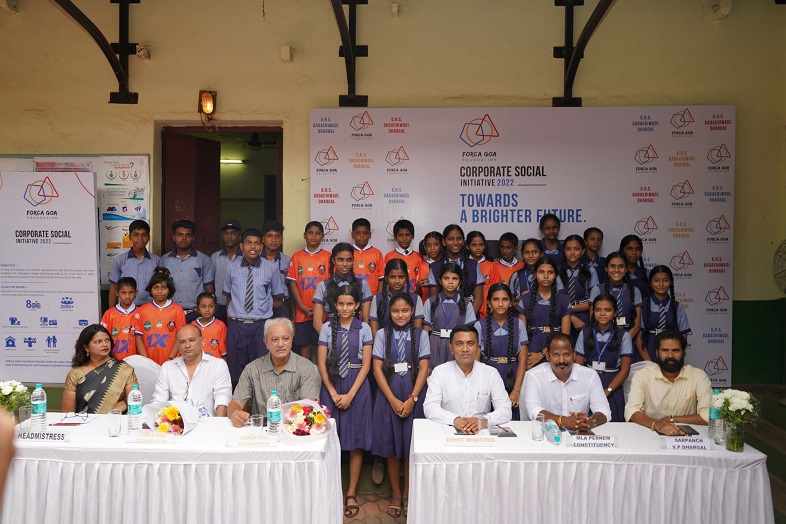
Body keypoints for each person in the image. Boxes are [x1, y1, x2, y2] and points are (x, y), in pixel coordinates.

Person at [316, 282, 373, 519]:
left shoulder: (365, 329)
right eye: (341, 303)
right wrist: (332, 392)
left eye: (350, 303)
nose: (345, 308)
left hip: (357, 385)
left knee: (356, 441)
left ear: (358, 305)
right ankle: (331, 490)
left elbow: (367, 364)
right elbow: (320, 362)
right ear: (334, 305)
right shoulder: (327, 328)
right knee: (330, 441)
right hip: (332, 384)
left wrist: (350, 394)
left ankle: (351, 492)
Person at [371, 293, 430, 519]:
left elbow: (424, 368)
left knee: (410, 448)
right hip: (389, 396)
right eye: (395, 311)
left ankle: (409, 493)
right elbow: (377, 369)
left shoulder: (421, 334)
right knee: (392, 448)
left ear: (412, 312)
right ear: (389, 312)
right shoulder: (381, 335)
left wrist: (412, 399)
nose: (400, 315)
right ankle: (396, 494)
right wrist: (393, 400)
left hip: (413, 396)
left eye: (405, 311)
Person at [228, 318, 322, 426]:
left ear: (292, 339)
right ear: (265, 342)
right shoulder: (252, 369)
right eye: (274, 340)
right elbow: (235, 402)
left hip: (295, 430)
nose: (280, 344)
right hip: (262, 432)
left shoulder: (305, 367)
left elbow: (308, 407)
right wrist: (235, 413)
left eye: (286, 338)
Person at [224, 228, 287, 384]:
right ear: (241, 246)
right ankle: (239, 406)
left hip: (260, 326)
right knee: (235, 371)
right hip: (237, 326)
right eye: (248, 243)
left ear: (262, 245)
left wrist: (262, 306)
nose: (253, 247)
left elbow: (279, 299)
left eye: (257, 243)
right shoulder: (231, 267)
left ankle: (259, 406)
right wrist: (232, 322)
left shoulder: (271, 268)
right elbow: (228, 297)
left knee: (262, 370)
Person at [424, 324, 512, 431]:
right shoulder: (440, 372)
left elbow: (505, 409)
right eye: (459, 344)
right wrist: (455, 420)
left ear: (477, 347)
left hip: (480, 432)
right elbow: (430, 407)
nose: (465, 349)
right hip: (448, 429)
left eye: (470, 343)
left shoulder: (491, 373)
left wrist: (484, 421)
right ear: (451, 348)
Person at [625, 329, 711, 435]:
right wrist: (657, 425)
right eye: (665, 350)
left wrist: (671, 419)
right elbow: (632, 410)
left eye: (676, 350)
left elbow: (708, 416)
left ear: (684, 352)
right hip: (650, 432)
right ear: (657, 352)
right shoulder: (643, 375)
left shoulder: (698, 376)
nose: (670, 355)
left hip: (687, 437)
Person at [522, 333, 610, 430]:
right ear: (547, 355)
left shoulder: (590, 375)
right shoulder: (534, 376)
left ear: (574, 354)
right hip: (546, 433)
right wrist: (562, 421)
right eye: (556, 355)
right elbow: (534, 410)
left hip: (579, 434)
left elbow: (604, 410)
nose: (561, 360)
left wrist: (590, 421)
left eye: (566, 354)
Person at [574, 294, 633, 422]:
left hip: (612, 384)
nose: (602, 314)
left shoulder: (624, 336)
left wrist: (607, 391)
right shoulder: (584, 333)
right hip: (588, 383)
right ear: (593, 311)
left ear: (615, 312)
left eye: (607, 310)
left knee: (613, 425)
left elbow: (624, 370)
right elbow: (578, 366)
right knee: (585, 425)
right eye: (598, 310)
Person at [152, 324, 232, 417]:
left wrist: (217, 426)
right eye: (182, 342)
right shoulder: (168, 367)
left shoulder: (218, 365)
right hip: (175, 425)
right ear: (177, 345)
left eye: (192, 340)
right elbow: (158, 400)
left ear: (201, 341)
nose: (187, 345)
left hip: (207, 425)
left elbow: (223, 399)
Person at [474, 283, 528, 420]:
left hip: (512, 374)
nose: (500, 303)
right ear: (489, 303)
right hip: (487, 375)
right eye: (495, 299)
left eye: (505, 299)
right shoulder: (479, 325)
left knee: (510, 420)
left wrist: (516, 390)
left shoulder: (518, 324)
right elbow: (476, 360)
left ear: (510, 302)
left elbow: (523, 361)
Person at [62, 324, 138, 414]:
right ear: (86, 347)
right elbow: (68, 413)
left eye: (107, 340)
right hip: (83, 425)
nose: (104, 344)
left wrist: (114, 410)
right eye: (98, 342)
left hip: (114, 423)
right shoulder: (75, 374)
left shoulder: (124, 369)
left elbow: (134, 402)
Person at [516, 256, 573, 371]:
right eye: (541, 272)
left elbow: (565, 336)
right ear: (535, 274)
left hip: (556, 350)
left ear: (555, 275)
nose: (546, 276)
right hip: (530, 349)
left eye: (550, 272)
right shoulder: (525, 299)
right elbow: (520, 335)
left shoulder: (564, 300)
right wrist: (527, 356)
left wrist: (542, 354)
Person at [286, 221, 332, 360]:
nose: (314, 236)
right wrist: (301, 306)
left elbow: (331, 285)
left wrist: (322, 307)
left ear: (323, 237)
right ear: (304, 235)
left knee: (321, 344)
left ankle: (320, 377)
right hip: (302, 312)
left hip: (323, 311)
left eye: (318, 234)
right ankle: (306, 378)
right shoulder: (297, 257)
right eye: (310, 233)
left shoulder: (328, 257)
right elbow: (292, 283)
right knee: (305, 345)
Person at [423, 262, 477, 370]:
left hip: (458, 343)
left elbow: (469, 331)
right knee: (435, 374)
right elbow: (425, 330)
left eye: (455, 278)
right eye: (446, 278)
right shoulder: (431, 301)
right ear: (440, 280)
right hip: (435, 343)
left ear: (460, 281)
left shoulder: (466, 303)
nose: (450, 282)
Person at [589, 252, 643, 357]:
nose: (617, 270)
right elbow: (593, 319)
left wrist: (624, 341)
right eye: (612, 266)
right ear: (606, 268)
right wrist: (608, 341)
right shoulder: (597, 290)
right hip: (602, 340)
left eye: (621, 266)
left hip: (628, 339)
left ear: (626, 269)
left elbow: (637, 325)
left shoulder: (635, 291)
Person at [160, 219, 215, 322]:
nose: (184, 238)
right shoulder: (164, 260)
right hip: (170, 313)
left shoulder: (203, 260)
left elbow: (209, 288)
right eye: (180, 235)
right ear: (174, 237)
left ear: (193, 238)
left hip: (195, 314)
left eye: (188, 235)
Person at [312, 243, 373, 334]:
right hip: (331, 332)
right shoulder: (323, 285)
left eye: (349, 260)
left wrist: (360, 339)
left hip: (356, 332)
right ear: (333, 260)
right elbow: (317, 323)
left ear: (353, 260)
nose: (345, 264)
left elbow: (366, 321)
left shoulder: (363, 284)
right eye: (340, 260)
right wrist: (329, 341)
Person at [427, 224, 484, 315]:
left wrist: (467, 320)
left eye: (459, 238)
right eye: (451, 239)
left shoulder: (473, 265)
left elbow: (479, 299)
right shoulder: (435, 267)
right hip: (443, 319)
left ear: (463, 241)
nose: (456, 242)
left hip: (469, 321)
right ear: (444, 242)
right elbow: (435, 299)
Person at [639, 265, 691, 362]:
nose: (661, 284)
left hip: (670, 351)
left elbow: (683, 336)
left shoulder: (678, 307)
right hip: (647, 350)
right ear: (650, 283)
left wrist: (676, 356)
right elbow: (638, 339)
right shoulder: (642, 306)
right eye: (656, 280)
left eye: (665, 280)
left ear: (671, 282)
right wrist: (648, 362)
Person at [134, 267, 186, 364]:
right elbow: (138, 337)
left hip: (173, 361)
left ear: (170, 290)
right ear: (150, 290)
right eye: (156, 287)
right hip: (149, 361)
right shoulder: (142, 310)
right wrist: (146, 361)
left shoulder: (177, 309)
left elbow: (180, 337)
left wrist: (171, 358)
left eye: (164, 287)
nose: (159, 291)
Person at [108, 219, 159, 307]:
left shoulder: (156, 261)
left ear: (149, 238)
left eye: (144, 235)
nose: (140, 239)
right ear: (130, 237)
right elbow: (113, 288)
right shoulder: (119, 260)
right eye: (136, 235)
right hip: (126, 310)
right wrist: (111, 313)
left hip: (150, 309)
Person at [558, 235, 599, 343]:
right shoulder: (557, 271)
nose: (572, 252)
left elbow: (594, 301)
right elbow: (555, 300)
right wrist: (571, 317)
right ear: (564, 251)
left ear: (583, 251)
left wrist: (570, 310)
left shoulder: (590, 271)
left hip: (583, 316)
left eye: (576, 249)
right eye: (568, 249)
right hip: (561, 316)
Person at [369, 258, 425, 339]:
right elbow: (374, 332)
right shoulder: (377, 299)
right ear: (386, 278)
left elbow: (417, 330)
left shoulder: (415, 299)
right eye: (392, 277)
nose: (397, 281)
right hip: (383, 346)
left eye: (401, 277)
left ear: (406, 277)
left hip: (410, 346)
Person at [384, 219, 429, 298]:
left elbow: (421, 279)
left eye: (407, 235)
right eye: (400, 235)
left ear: (413, 236)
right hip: (395, 298)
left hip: (415, 297)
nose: (404, 238)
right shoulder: (389, 256)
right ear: (395, 237)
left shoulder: (419, 256)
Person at [210, 219, 242, 324]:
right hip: (219, 306)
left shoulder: (246, 257)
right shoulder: (215, 257)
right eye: (226, 233)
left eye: (233, 233)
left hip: (240, 307)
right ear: (221, 236)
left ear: (240, 236)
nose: (229, 237)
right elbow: (209, 282)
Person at [100, 276, 139, 359]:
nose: (127, 296)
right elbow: (103, 337)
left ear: (136, 292)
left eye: (131, 292)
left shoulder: (141, 313)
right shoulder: (109, 314)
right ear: (117, 293)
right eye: (124, 293)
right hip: (114, 359)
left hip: (136, 360)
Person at [466, 230, 501, 318]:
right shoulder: (463, 264)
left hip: (487, 313)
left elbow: (497, 290)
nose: (478, 248)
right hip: (466, 311)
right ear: (467, 246)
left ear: (485, 246)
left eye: (481, 245)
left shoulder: (491, 266)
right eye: (474, 245)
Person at [261, 220, 291, 319]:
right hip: (261, 305)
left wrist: (293, 316)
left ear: (282, 239)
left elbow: (291, 288)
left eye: (277, 236)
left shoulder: (287, 261)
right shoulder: (256, 259)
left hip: (282, 305)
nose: (273, 240)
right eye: (269, 236)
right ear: (263, 239)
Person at [350, 218, 385, 296]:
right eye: (358, 233)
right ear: (352, 235)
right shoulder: (347, 252)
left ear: (370, 235)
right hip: (350, 298)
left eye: (365, 233)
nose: (362, 236)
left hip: (372, 298)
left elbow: (381, 279)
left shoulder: (377, 253)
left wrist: (378, 298)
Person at [191, 292, 227, 359]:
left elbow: (224, 350)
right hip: (196, 363)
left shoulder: (220, 325)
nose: (207, 310)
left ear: (215, 307)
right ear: (198, 308)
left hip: (215, 364)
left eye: (211, 306)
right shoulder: (192, 325)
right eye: (203, 306)